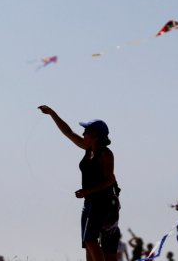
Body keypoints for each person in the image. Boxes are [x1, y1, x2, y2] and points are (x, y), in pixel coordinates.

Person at [38, 105, 117, 261]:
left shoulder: (105, 154)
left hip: (103, 202)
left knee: (90, 239)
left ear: (95, 135)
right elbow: (68, 132)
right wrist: (52, 114)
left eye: (86, 131)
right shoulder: (88, 149)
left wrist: (86, 192)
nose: (83, 133)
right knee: (87, 243)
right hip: (89, 202)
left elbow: (110, 180)